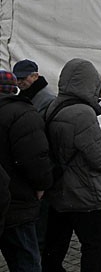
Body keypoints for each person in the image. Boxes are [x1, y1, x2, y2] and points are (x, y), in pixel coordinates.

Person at [43, 59, 101, 272]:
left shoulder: (53, 105)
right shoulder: (83, 113)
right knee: (95, 245)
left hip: (59, 190)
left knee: (55, 245)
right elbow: (100, 158)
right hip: (85, 193)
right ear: (90, 83)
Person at [0, 70, 52, 271]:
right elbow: (36, 158)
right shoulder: (22, 113)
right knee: (26, 260)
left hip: (9, 198)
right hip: (18, 201)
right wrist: (42, 185)